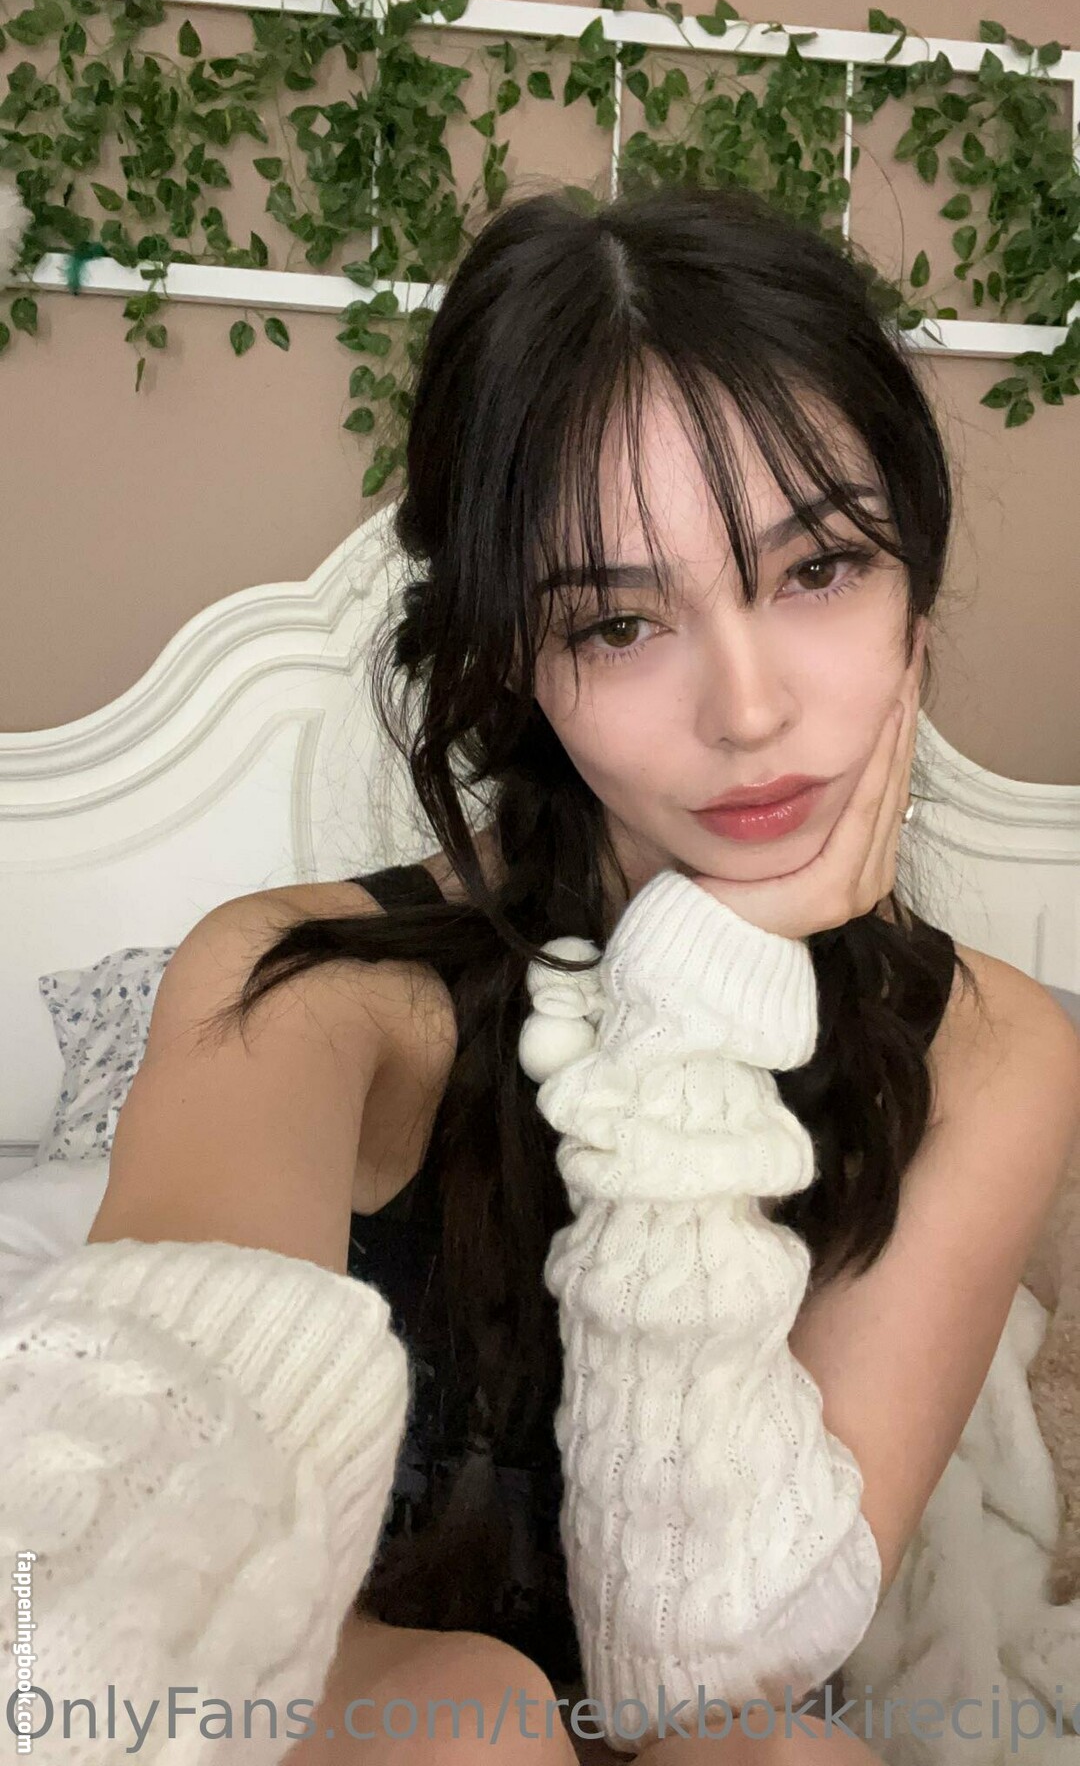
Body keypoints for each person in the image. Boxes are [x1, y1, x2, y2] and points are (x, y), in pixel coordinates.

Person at [2, 182, 1077, 1766]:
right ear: (514, 651)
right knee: (473, 1720)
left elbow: (706, 1674)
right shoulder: (305, 998)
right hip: (329, 1716)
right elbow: (102, 1595)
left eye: (820, 569)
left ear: (915, 573)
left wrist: (698, 1007)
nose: (750, 710)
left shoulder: (993, 1048)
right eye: (620, 623)